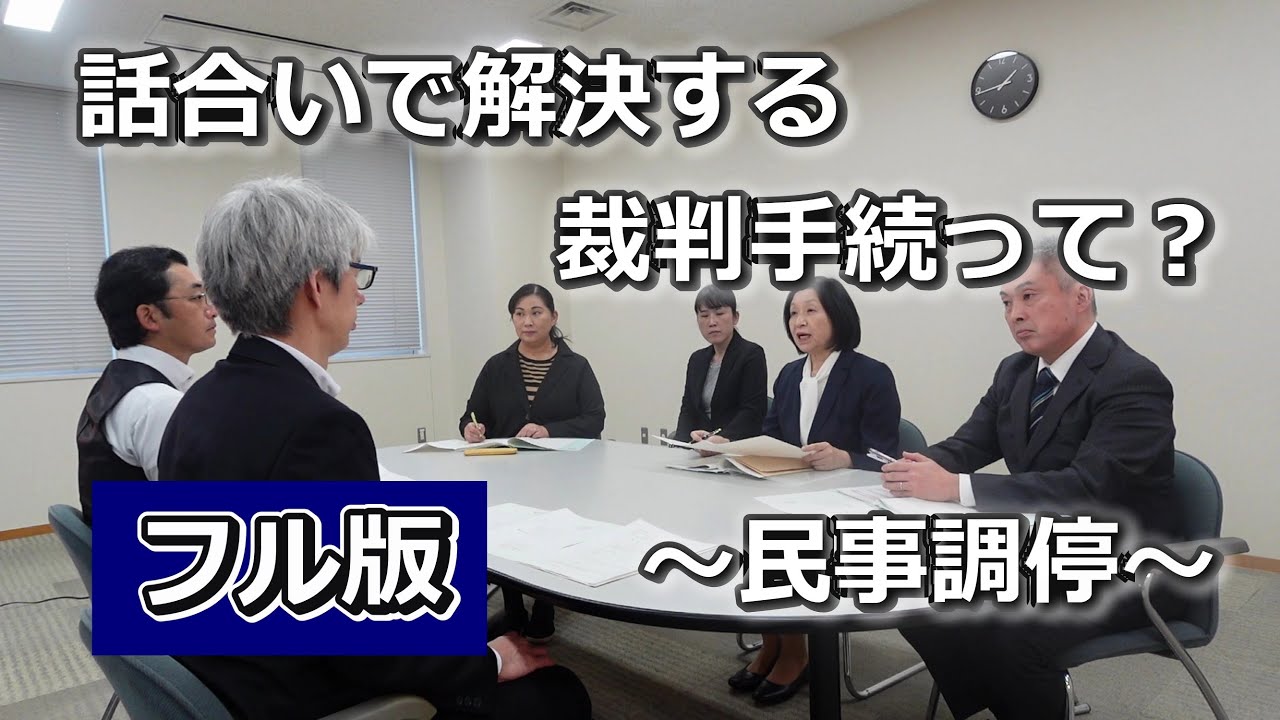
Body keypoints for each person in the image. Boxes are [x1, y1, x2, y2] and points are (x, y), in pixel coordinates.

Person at [158, 178, 591, 720]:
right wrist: (486, 660)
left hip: (231, 662)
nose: (361, 293)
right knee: (559, 692)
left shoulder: (198, 400)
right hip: (299, 691)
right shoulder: (317, 425)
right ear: (317, 285)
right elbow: (364, 640)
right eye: (354, 273)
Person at [881, 239, 1177, 719]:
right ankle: (1004, 704)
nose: (1014, 314)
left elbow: (1088, 487)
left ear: (1080, 295)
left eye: (1029, 296)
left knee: (1006, 628)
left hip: (1118, 564)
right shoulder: (1015, 371)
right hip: (1036, 549)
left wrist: (955, 487)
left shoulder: (1131, 378)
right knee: (911, 594)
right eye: (1006, 302)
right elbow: (968, 445)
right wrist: (908, 470)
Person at [724, 276, 901, 706]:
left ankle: (796, 653)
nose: (799, 322)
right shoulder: (789, 376)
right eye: (792, 314)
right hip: (792, 491)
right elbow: (772, 437)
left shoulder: (872, 374)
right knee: (743, 520)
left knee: (783, 535)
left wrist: (846, 457)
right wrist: (736, 449)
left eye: (810, 311)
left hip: (847, 502)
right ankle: (772, 643)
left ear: (837, 316)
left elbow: (886, 455)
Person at [460, 283, 605, 643]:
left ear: (553, 317)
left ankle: (544, 606)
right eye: (519, 313)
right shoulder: (497, 365)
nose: (527, 321)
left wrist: (548, 430)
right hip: (507, 469)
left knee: (550, 539)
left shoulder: (576, 366)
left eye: (536, 312)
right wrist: (471, 428)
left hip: (561, 473)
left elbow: (594, 419)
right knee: (505, 537)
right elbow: (472, 413)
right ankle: (513, 609)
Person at [76, 246, 218, 524]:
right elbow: (195, 517)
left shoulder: (117, 379)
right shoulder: (157, 403)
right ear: (150, 317)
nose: (212, 311)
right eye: (196, 297)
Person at [672, 286, 767, 444]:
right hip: (700, 447)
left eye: (720, 313)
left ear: (735, 317)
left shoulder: (751, 354)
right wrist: (681, 444)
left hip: (735, 445)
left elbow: (752, 411)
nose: (712, 322)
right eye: (704, 315)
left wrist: (720, 439)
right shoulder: (697, 359)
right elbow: (688, 409)